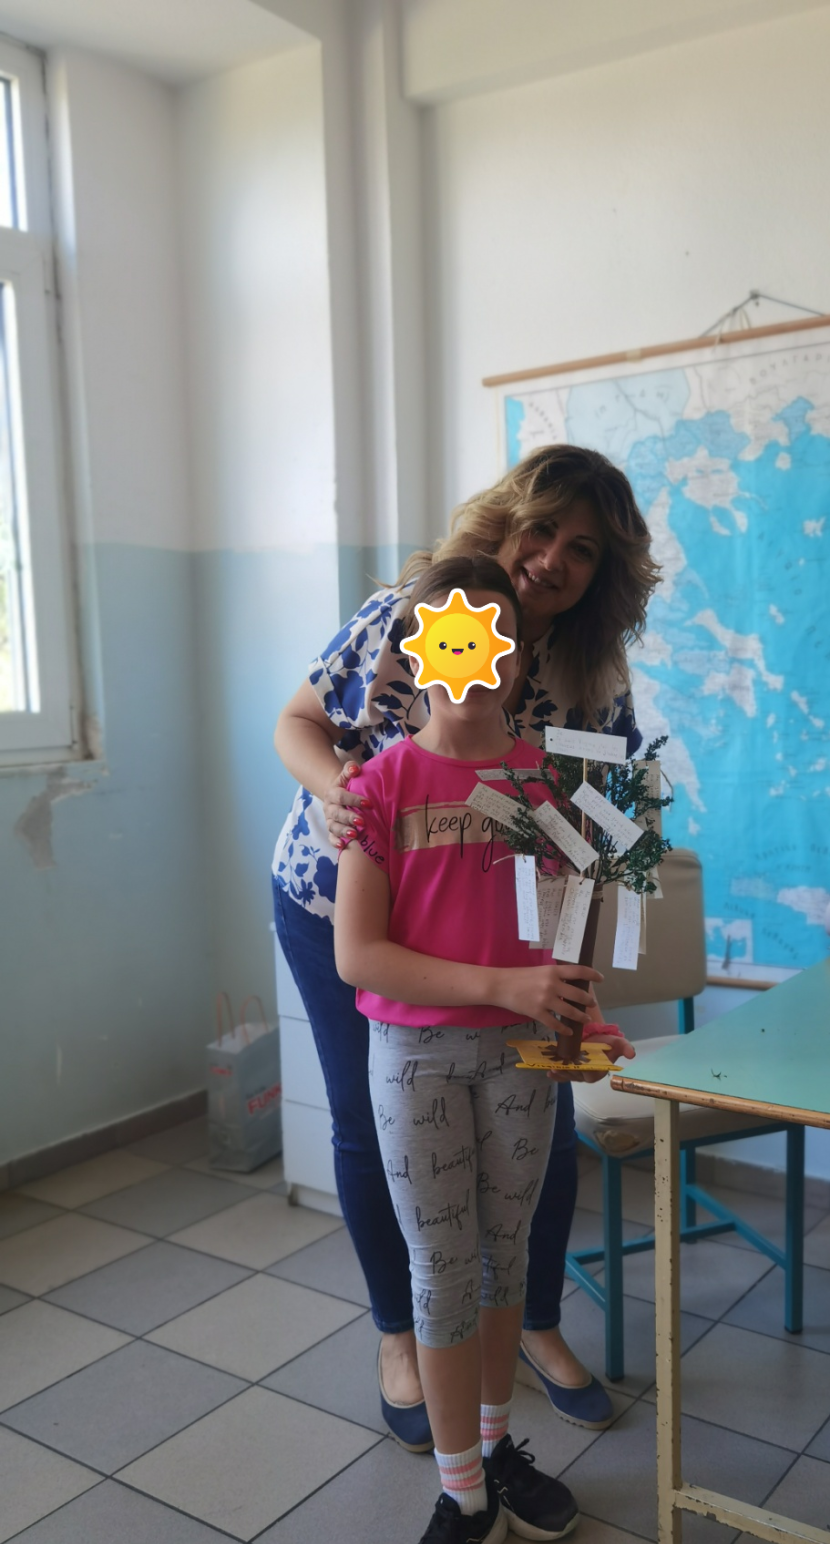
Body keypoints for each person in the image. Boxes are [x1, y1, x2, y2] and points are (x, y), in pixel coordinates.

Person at [272, 445, 659, 1441]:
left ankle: (532, 1322)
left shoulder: (590, 677)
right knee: (368, 1123)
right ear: (508, 519)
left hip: (497, 934)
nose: (553, 558)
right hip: (341, 903)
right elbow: (299, 721)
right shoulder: (412, 612)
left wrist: (575, 984)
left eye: (583, 549)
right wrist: (340, 793)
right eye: (544, 528)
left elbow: (598, 833)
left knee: (544, 1119)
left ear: (603, 575)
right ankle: (401, 1335)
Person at [335, 553, 619, 1544]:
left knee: (506, 1257)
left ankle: (492, 1453)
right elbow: (361, 955)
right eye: (449, 638)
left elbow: (575, 923)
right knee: (443, 1269)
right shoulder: (379, 787)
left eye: (489, 640)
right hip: (416, 1060)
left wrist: (581, 1008)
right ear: (417, 652)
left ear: (515, 654)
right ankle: (461, 1497)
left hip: (521, 1062)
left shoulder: (551, 782)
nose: (471, 661)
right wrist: (503, 985)